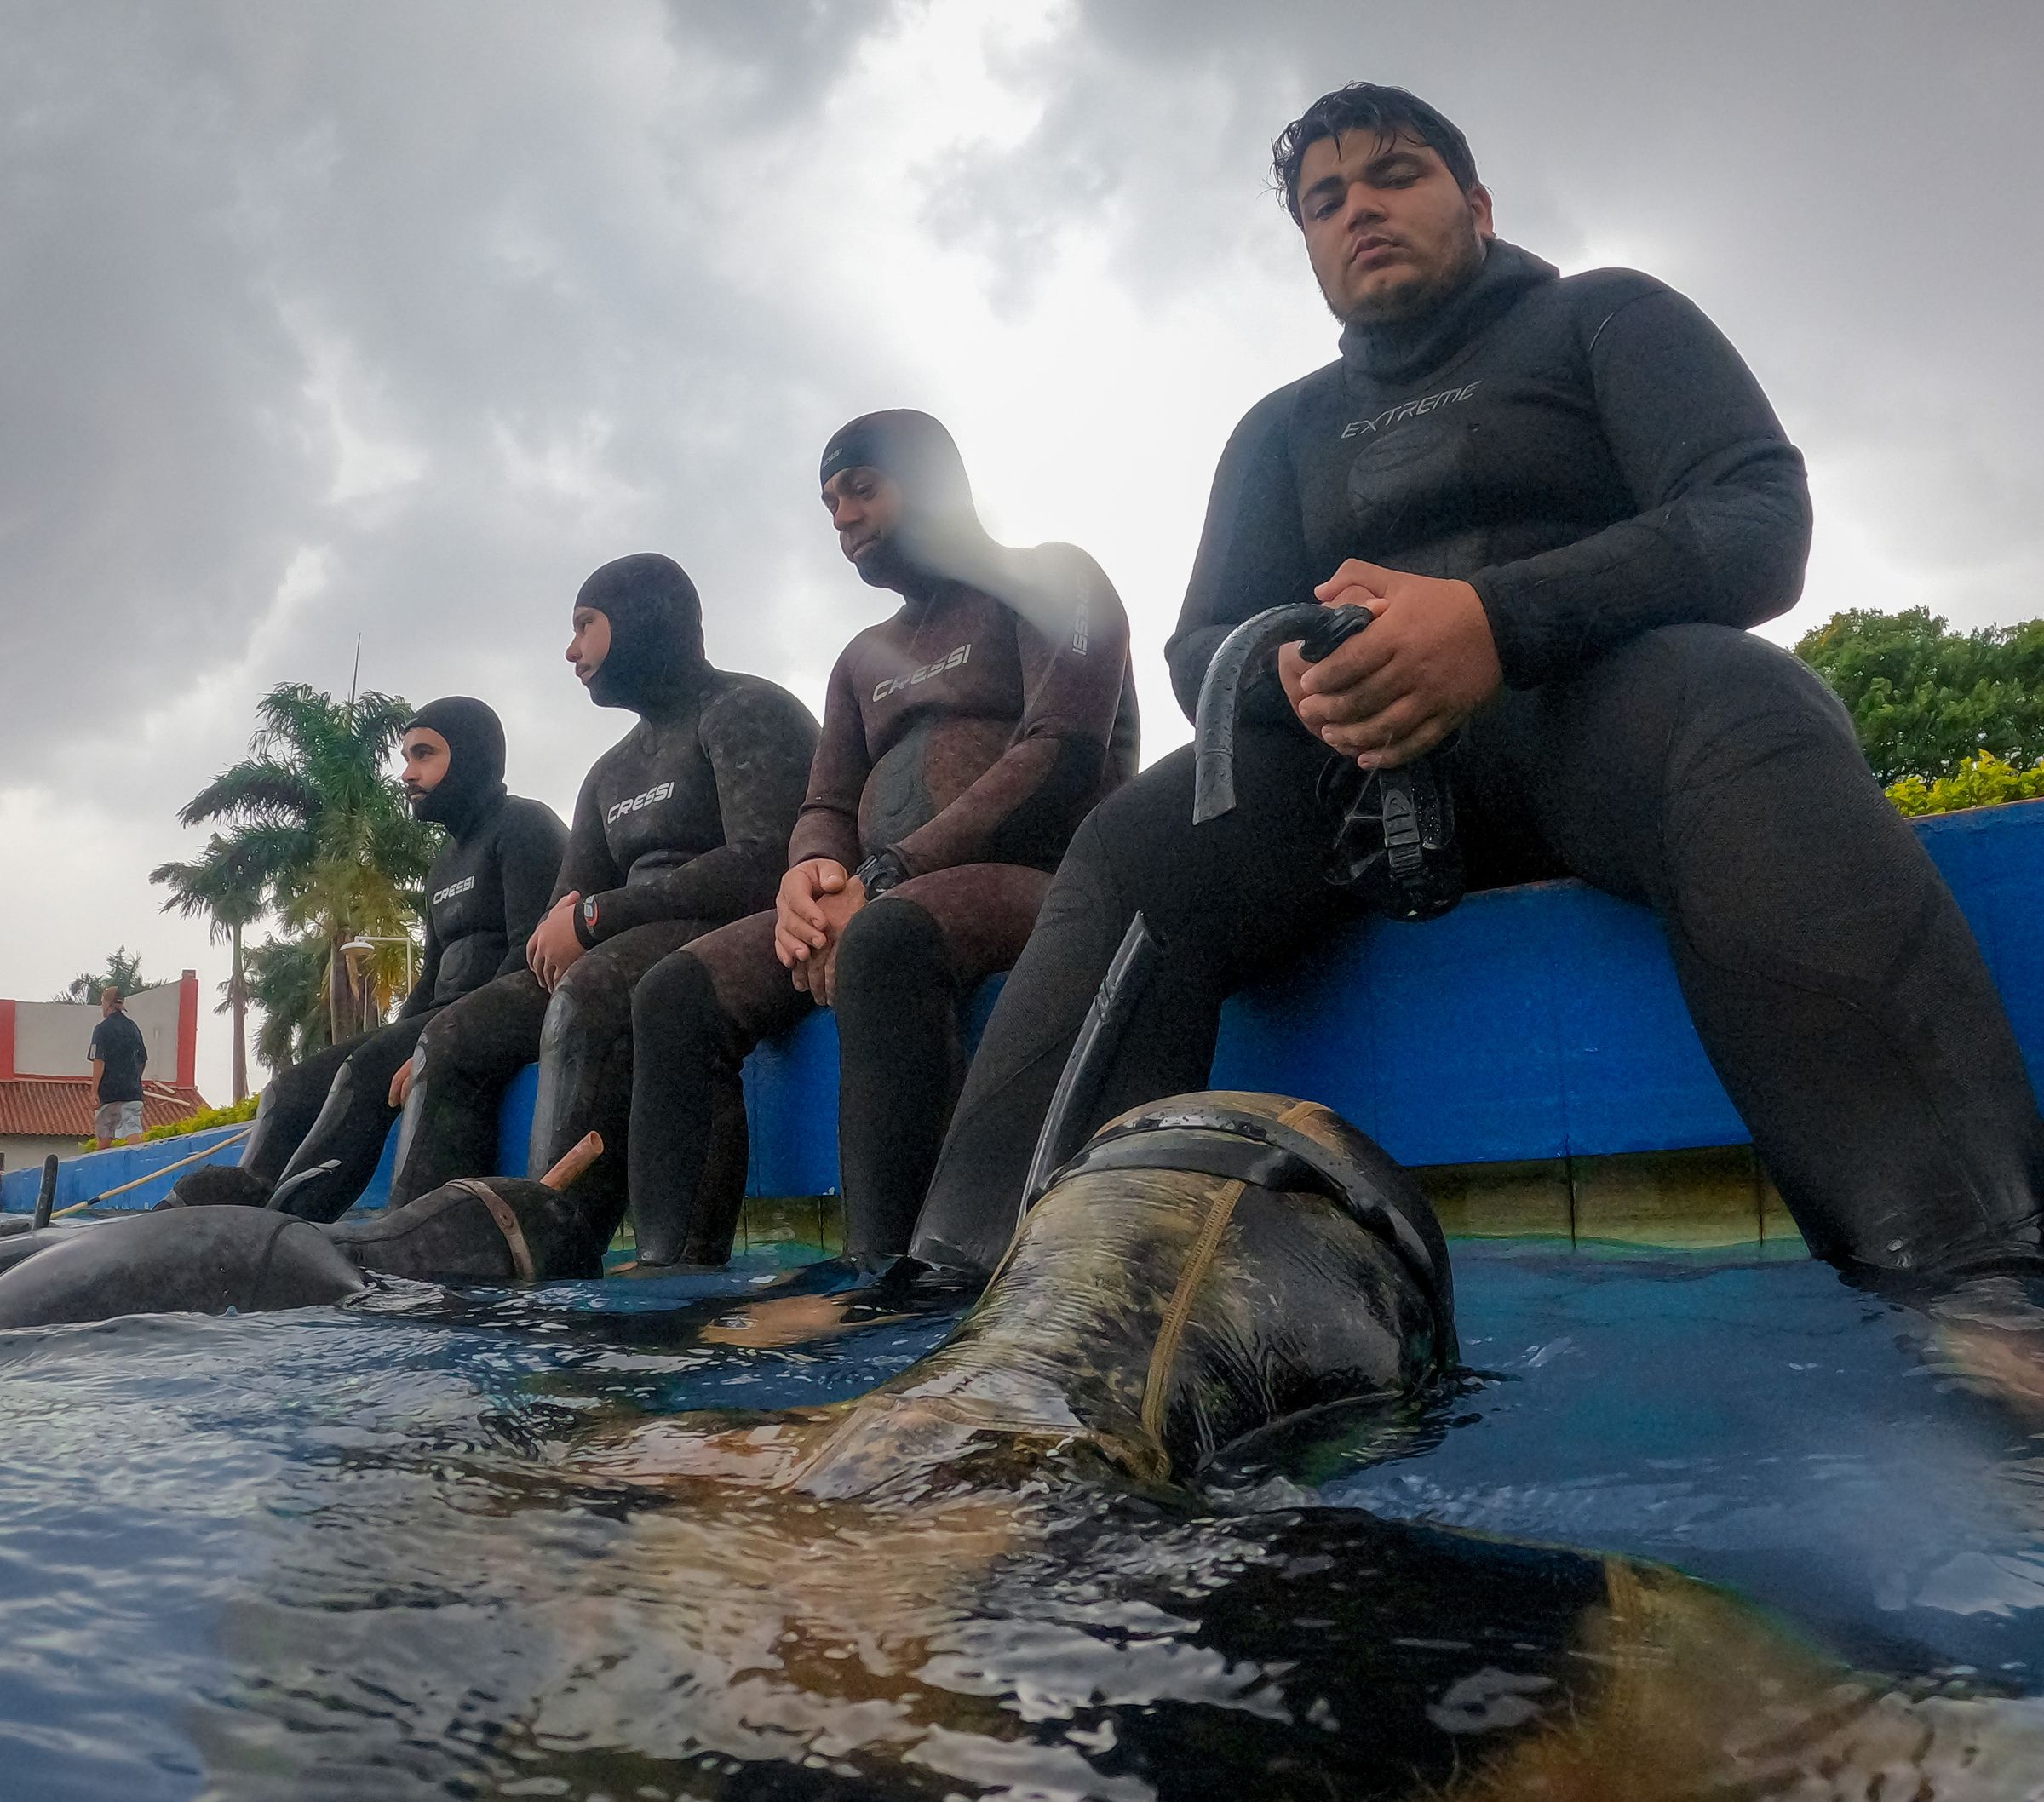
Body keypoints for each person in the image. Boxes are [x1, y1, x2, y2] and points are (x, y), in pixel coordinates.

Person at [910, 81, 2044, 1286]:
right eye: (1325, 200)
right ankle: (973, 1306)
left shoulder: (1604, 319)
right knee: (1136, 840)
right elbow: (1203, 650)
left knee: (1747, 700)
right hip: (1355, 773)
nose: (1361, 212)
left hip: (1595, 716)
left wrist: (1497, 621)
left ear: (1479, 202)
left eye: (1396, 176)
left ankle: (1979, 1276)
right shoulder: (1279, 431)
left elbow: (1759, 519)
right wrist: (1287, 673)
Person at [622, 411, 1139, 1267]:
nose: (841, 517)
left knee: (888, 942)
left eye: (861, 489)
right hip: (874, 890)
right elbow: (825, 800)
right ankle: (672, 1294)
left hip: (1040, 879)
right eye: (828, 502)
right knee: (675, 992)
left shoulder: (1048, 578)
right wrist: (811, 877)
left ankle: (893, 1280)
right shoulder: (861, 657)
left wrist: (890, 875)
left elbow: (1061, 755)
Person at [388, 554, 818, 1254]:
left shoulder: (745, 711)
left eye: (586, 626)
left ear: (643, 620)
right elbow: (563, 910)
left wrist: (597, 919)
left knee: (591, 990)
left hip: (727, 932)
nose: (571, 649)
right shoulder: (609, 771)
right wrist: (573, 924)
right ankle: (418, 1253)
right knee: (452, 1036)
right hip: (619, 946)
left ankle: (558, 1249)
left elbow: (765, 860)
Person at [179, 698, 567, 1220]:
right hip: (443, 1020)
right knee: (290, 1087)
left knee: (364, 1072)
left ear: (472, 757)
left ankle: (288, 1223)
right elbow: (430, 979)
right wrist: (400, 1040)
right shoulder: (443, 866)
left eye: (424, 755)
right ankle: (246, 1198)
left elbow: (530, 956)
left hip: (503, 1015)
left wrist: (445, 1040)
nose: (408, 773)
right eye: (407, 757)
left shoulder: (524, 826)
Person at [86, 984, 147, 1148]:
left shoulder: (101, 1029)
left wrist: (94, 1091)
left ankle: (100, 1169)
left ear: (107, 1004)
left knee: (105, 1132)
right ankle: (139, 1162)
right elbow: (142, 1060)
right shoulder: (133, 1028)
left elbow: (99, 1060)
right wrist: (134, 1079)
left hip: (110, 1091)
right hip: (132, 1091)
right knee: (132, 1127)